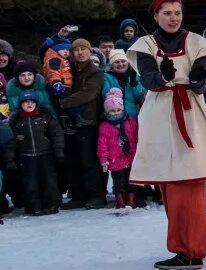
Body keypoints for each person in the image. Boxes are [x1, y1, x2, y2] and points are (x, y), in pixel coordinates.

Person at [128, 0, 206, 270]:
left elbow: (201, 82)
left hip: (190, 114)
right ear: (156, 16)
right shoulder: (146, 45)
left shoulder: (196, 42)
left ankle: (192, 249)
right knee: (169, 184)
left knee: (189, 181)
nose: (173, 18)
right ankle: (199, 234)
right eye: (167, 13)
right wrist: (163, 76)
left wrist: (197, 79)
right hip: (160, 115)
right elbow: (148, 79)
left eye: (177, 13)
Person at [57, 39, 106, 209]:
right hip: (70, 121)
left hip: (88, 121)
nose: (80, 52)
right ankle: (78, 196)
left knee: (88, 160)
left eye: (83, 49)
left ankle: (97, 196)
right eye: (76, 49)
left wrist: (63, 103)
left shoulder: (95, 71)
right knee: (73, 161)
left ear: (89, 51)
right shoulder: (69, 69)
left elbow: (88, 94)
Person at [7, 91, 64, 215]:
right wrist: (10, 158)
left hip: (45, 153)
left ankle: (51, 205)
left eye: (32, 102)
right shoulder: (16, 120)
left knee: (49, 181)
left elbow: (57, 133)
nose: (29, 104)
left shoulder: (45, 116)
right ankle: (34, 207)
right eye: (26, 102)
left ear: (36, 103)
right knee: (30, 183)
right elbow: (11, 141)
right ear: (21, 105)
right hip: (26, 156)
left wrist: (58, 151)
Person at [97, 88, 139, 209]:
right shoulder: (105, 126)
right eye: (112, 111)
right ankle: (120, 201)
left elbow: (136, 137)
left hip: (130, 157)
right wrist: (103, 159)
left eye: (118, 110)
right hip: (115, 159)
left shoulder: (130, 121)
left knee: (132, 180)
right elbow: (102, 145)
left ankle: (131, 200)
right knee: (118, 182)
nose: (116, 113)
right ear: (107, 112)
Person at [103, 50, 147, 118]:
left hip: (132, 116)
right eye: (117, 62)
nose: (121, 64)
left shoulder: (135, 76)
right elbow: (107, 95)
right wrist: (122, 84)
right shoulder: (107, 77)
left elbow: (141, 98)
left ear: (128, 62)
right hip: (114, 115)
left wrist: (135, 84)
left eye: (123, 61)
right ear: (112, 65)